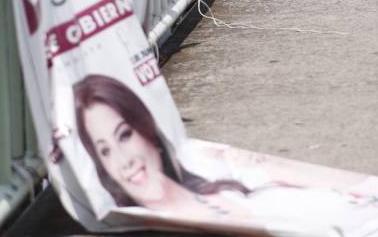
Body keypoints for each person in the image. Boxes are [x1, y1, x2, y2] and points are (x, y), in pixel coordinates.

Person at [73, 75, 252, 218]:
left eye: (125, 135)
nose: (124, 161)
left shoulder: (226, 176)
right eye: (105, 151)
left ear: (147, 129)